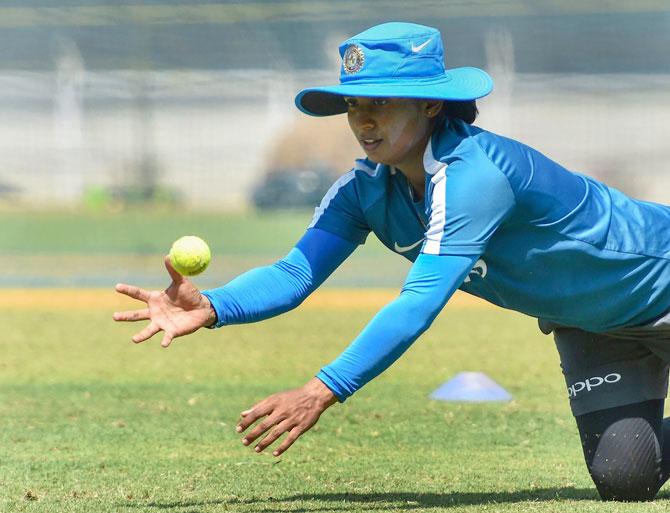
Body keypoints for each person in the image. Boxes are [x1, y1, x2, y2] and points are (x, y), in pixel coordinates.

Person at [113, 22, 670, 502]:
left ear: (431, 105)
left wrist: (320, 389)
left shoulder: (475, 173)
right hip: (594, 326)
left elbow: (419, 302)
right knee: (625, 478)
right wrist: (212, 306)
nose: (363, 120)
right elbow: (293, 274)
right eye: (355, 104)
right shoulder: (363, 191)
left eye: (381, 101)